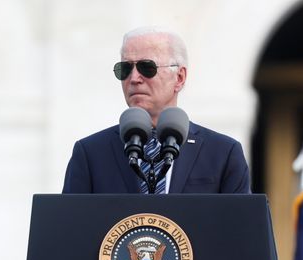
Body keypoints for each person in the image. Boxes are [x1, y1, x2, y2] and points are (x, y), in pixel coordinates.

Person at [62, 27, 251, 194]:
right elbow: (70, 227)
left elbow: (241, 227)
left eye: (147, 67)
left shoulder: (222, 153)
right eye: (125, 68)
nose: (134, 78)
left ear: (179, 77)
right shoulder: (90, 154)